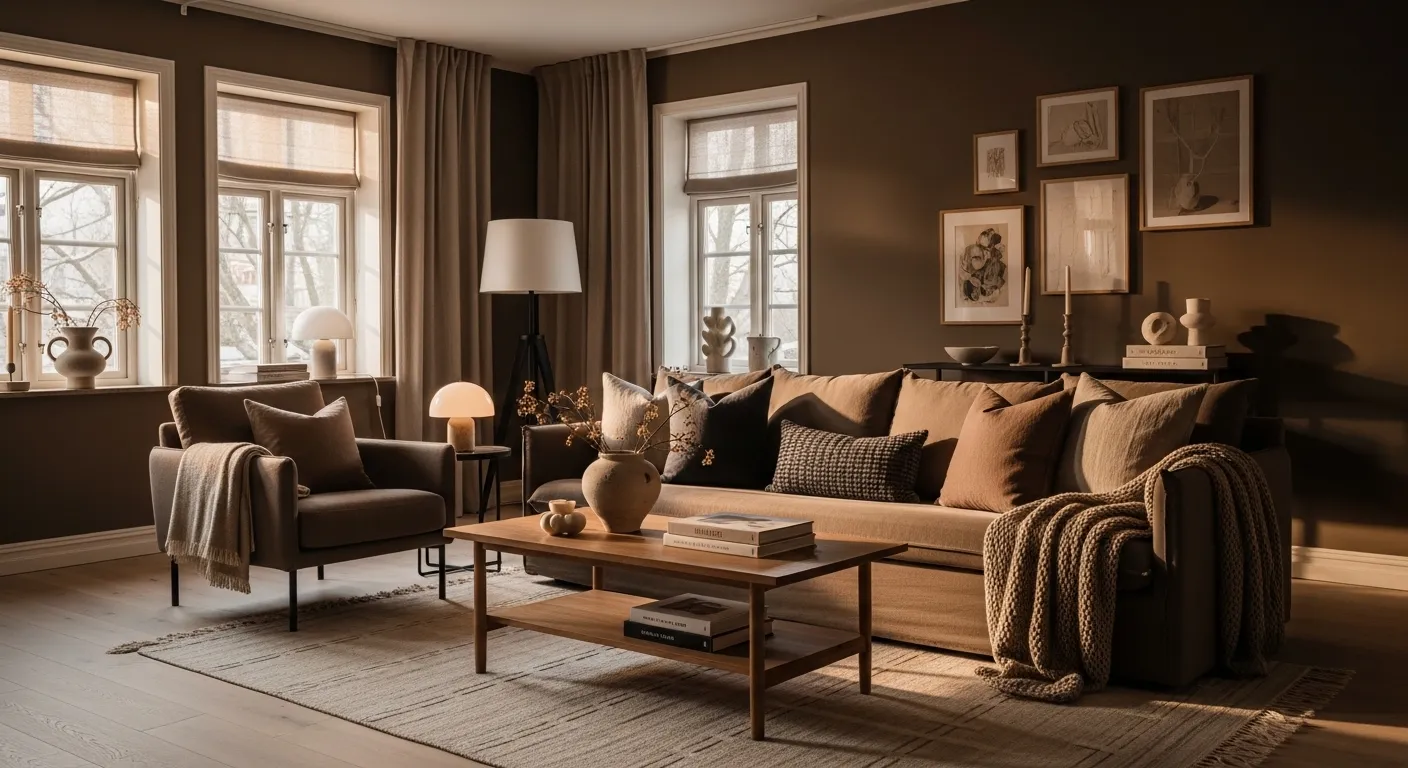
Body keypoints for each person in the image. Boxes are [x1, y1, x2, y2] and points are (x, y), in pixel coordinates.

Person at [960, 228, 1007, 304]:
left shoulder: (972, 269)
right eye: (977, 292)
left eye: (975, 291)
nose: (977, 288)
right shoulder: (986, 281)